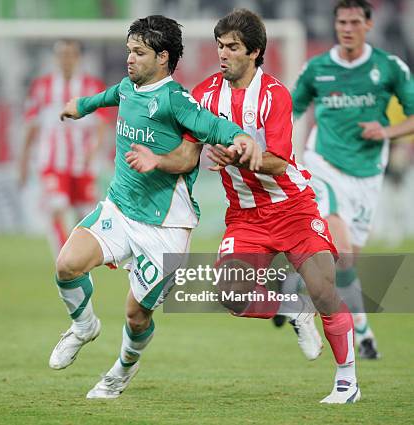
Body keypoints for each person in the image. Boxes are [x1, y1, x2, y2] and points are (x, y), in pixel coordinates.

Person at [126, 9, 360, 404]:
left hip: (292, 208)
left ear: (254, 52)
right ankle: (292, 305)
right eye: (219, 46)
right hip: (245, 216)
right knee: (231, 294)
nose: (223, 53)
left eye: (232, 47)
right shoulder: (202, 95)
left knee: (324, 289)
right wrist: (157, 160)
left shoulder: (274, 96)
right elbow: (187, 155)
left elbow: (279, 161)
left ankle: (346, 381)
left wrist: (237, 156)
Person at [52, 15, 261, 399]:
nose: (129, 59)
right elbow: (106, 97)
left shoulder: (175, 100)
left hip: (165, 226)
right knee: (66, 265)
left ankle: (121, 370)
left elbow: (212, 126)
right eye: (128, 51)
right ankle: (83, 327)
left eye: (139, 52)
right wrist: (79, 107)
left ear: (162, 57)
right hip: (119, 208)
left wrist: (241, 137)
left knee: (136, 315)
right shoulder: (129, 88)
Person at [288, 0, 414, 359]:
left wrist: (387, 130)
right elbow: (291, 110)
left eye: (354, 21)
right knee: (340, 252)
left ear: (368, 25)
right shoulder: (317, 69)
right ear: (335, 25)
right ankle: (333, 321)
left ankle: (305, 293)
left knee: (347, 262)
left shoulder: (388, 68)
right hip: (324, 165)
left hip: (368, 177)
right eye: (341, 21)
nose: (347, 28)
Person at [19, 40, 110, 257]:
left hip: (83, 162)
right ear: (55, 58)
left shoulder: (92, 86)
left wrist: (94, 150)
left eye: (71, 55)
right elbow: (32, 125)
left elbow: (101, 124)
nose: (66, 59)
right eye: (62, 55)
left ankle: (78, 256)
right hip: (52, 161)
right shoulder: (42, 87)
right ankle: (63, 256)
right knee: (56, 207)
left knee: (84, 213)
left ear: (78, 58)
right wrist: (22, 160)